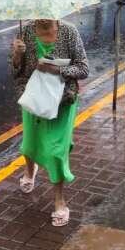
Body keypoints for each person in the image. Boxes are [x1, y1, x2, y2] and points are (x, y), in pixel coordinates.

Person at [11, 19, 88, 227]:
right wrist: (17, 55)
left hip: (62, 101)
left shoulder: (69, 31)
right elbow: (16, 72)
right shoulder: (25, 31)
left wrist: (59, 71)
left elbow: (83, 68)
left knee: (55, 152)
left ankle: (59, 201)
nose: (43, 17)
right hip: (33, 98)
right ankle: (30, 170)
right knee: (30, 144)